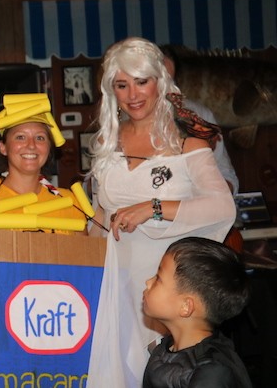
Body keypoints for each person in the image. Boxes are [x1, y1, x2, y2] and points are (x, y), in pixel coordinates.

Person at [85, 37, 237, 388]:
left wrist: (153, 208)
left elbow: (222, 206)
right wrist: (77, 255)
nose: (133, 94)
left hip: (168, 288)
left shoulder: (187, 142)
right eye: (122, 85)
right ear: (111, 91)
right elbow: (100, 213)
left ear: (160, 82)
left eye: (142, 81)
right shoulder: (107, 142)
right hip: (116, 283)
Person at [0, 94, 89, 234]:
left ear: (49, 148)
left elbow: (85, 247)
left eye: (40, 138)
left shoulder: (69, 201)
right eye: (20, 137)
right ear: (3, 147)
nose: (31, 145)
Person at [142, 237, 252, 387]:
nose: (148, 282)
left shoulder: (212, 373)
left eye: (158, 279)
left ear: (186, 307)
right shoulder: (166, 348)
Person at [159, 44, 239, 194]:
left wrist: (218, 192)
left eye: (169, 82)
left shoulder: (199, 115)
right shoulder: (119, 122)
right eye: (155, 80)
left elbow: (226, 175)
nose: (163, 89)